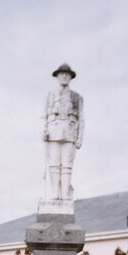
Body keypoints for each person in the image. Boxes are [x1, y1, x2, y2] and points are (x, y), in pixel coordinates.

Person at [43, 63, 84, 203]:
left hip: (70, 133)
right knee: (54, 164)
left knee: (67, 166)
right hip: (53, 132)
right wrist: (43, 130)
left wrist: (80, 138)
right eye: (62, 74)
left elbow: (81, 119)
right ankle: (55, 194)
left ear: (71, 77)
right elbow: (43, 116)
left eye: (67, 74)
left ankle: (65, 195)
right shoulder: (50, 95)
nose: (65, 76)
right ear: (57, 76)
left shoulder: (77, 97)